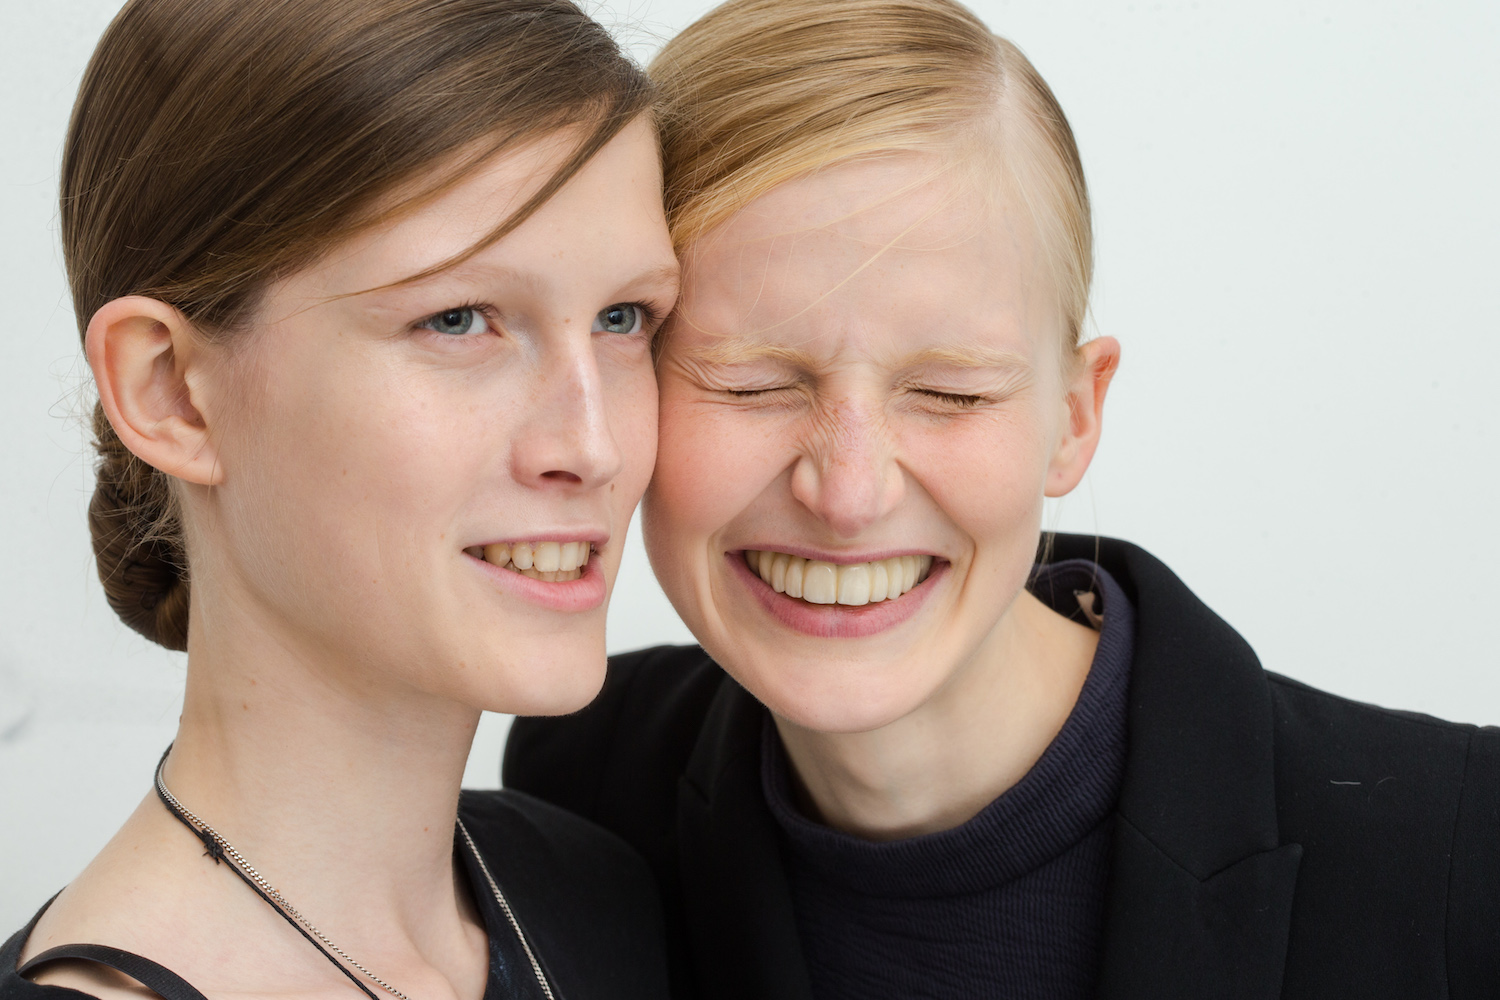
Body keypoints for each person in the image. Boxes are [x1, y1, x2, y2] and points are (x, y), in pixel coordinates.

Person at [503, 0, 1500, 997]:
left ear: (1073, 415)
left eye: (948, 393)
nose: (848, 494)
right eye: (753, 383)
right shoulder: (583, 787)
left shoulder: (1461, 855)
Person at [2, 1, 680, 998]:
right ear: (171, 391)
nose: (595, 445)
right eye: (459, 318)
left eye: (624, 317)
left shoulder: (607, 890)